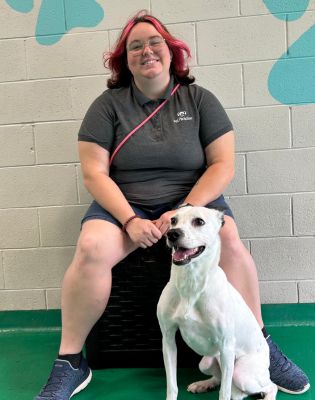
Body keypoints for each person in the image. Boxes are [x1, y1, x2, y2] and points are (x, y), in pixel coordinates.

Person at [35, 10, 310, 400]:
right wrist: (129, 219)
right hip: (126, 204)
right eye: (135, 46)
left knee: (228, 239)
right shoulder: (106, 106)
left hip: (191, 199)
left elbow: (223, 164)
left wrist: (184, 211)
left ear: (171, 51)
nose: (146, 51)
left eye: (155, 43)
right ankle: (70, 361)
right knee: (91, 247)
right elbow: (95, 174)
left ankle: (261, 344)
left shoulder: (200, 99)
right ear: (123, 60)